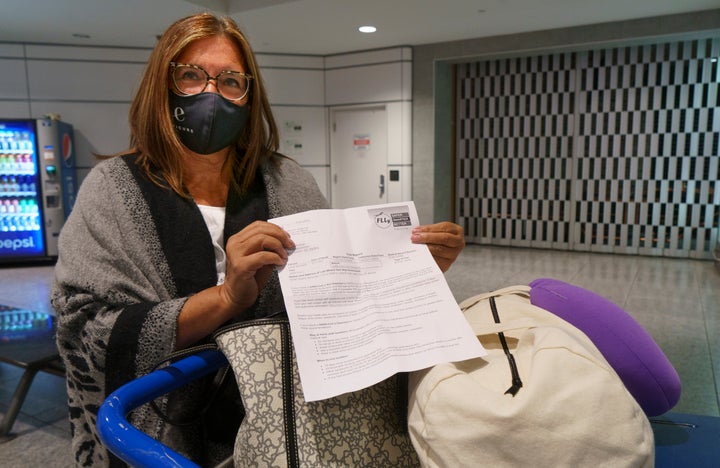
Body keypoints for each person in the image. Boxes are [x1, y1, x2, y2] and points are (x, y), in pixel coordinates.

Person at [51, 12, 466, 467]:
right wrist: (227, 297)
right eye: (191, 75)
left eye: (231, 81)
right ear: (161, 85)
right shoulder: (113, 190)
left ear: (249, 96)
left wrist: (409, 273)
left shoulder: (289, 182)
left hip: (287, 425)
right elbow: (84, 329)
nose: (212, 93)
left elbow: (337, 295)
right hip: (162, 437)